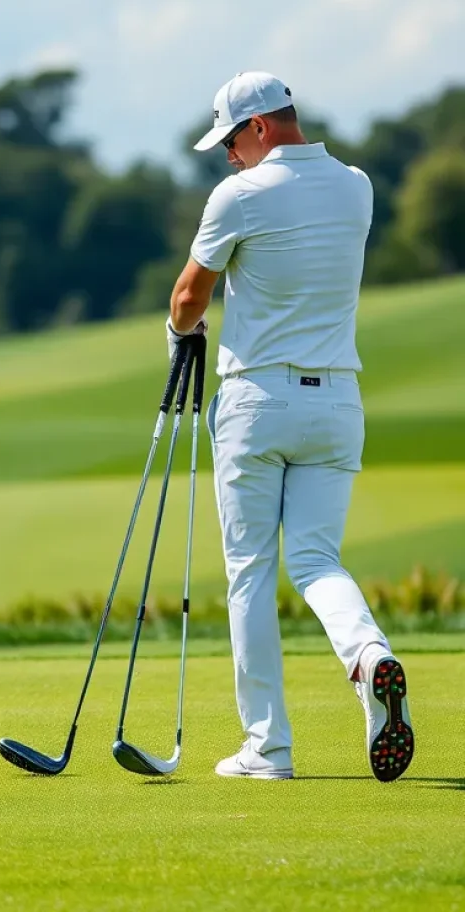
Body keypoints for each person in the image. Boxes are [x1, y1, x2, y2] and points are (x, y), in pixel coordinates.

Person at [166, 71, 413, 782]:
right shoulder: (358, 186)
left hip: (257, 401)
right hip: (337, 402)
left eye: (230, 142)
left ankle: (268, 749)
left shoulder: (238, 197)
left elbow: (188, 298)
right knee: (315, 560)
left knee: (250, 571)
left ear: (261, 128)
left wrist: (178, 330)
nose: (227, 157)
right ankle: (369, 659)